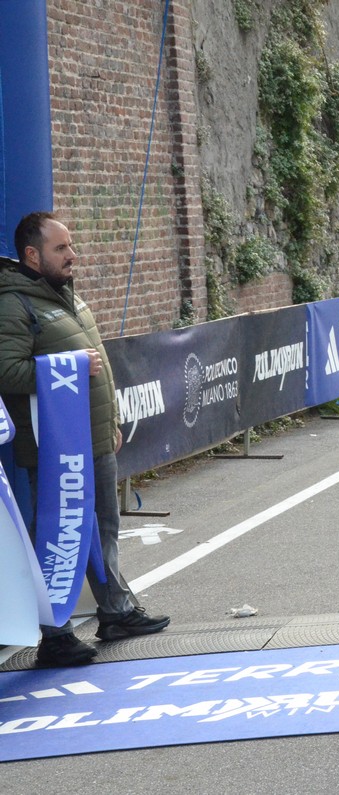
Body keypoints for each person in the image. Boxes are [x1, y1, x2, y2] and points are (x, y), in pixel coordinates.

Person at [0, 212, 170, 667]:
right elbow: (7, 372)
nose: (72, 254)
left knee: (104, 528)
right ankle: (54, 635)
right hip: (54, 450)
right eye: (61, 248)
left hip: (91, 438)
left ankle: (114, 610)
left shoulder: (63, 295)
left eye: (71, 245)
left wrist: (109, 421)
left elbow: (101, 368)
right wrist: (72, 365)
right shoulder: (14, 304)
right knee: (58, 536)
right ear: (32, 255)